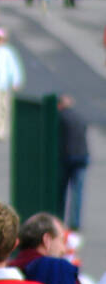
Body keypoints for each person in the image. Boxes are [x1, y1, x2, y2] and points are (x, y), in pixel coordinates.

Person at [57, 95, 89, 232]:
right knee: (77, 191)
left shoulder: (60, 117)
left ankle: (58, 217)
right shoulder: (80, 117)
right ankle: (75, 222)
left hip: (67, 157)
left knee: (61, 189)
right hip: (82, 156)